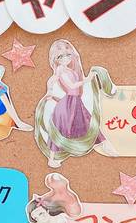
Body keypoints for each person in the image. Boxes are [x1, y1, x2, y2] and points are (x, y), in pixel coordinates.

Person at [34, 39, 117, 168]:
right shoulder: (61, 70)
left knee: (87, 122)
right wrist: (87, 80)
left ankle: (106, 145)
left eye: (68, 55)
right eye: (61, 57)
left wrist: (90, 77)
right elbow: (71, 85)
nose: (66, 58)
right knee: (62, 128)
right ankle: (51, 158)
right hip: (68, 103)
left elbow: (59, 81)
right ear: (56, 59)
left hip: (75, 101)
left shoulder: (69, 69)